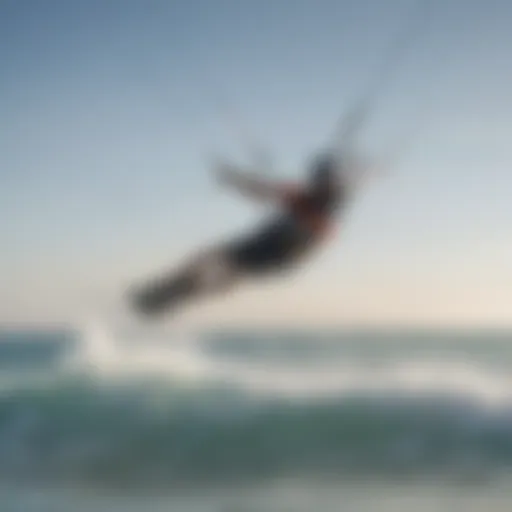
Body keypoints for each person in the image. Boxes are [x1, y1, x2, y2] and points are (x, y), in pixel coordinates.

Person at [129, 152, 348, 316]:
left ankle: (174, 295)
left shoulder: (328, 206)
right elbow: (263, 190)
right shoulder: (301, 194)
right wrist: (233, 179)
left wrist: (299, 207)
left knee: (227, 272)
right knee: (209, 259)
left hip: (279, 254)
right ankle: (167, 292)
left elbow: (325, 230)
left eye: (321, 179)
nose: (316, 182)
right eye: (317, 178)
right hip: (263, 244)